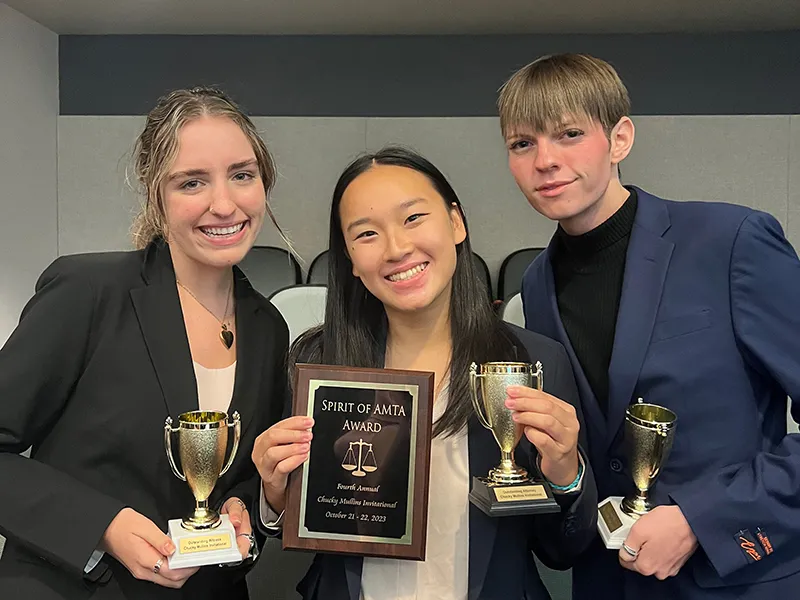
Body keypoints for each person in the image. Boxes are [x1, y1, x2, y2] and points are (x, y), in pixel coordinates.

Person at [498, 53, 800, 599]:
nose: (545, 160)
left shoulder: (730, 241)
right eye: (523, 143)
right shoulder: (536, 287)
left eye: (568, 134)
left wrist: (702, 520)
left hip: (737, 582)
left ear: (619, 139)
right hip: (608, 584)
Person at [252, 146, 598, 600]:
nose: (397, 248)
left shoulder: (532, 361)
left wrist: (566, 473)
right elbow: (297, 523)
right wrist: (275, 494)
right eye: (367, 234)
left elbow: (563, 550)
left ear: (455, 222)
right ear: (351, 261)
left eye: (413, 218)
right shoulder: (318, 363)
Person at [0, 87, 290, 599]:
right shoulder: (88, 292)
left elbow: (237, 475)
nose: (224, 204)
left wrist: (246, 506)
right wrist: (103, 527)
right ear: (157, 195)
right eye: (192, 182)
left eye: (242, 175)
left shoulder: (269, 327)